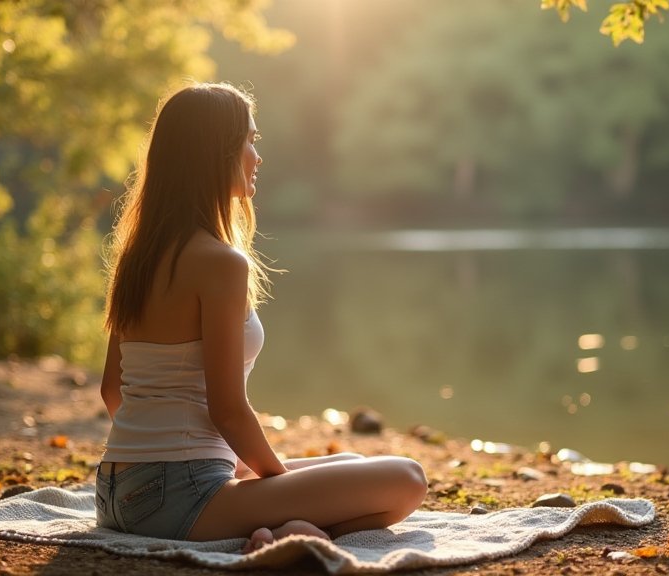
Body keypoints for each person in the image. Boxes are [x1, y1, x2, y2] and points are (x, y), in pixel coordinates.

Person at [96, 82, 427, 552]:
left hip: (114, 490)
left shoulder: (139, 259)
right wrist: (267, 481)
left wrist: (168, 457)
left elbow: (113, 390)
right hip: (181, 497)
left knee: (352, 458)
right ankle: (288, 530)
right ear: (215, 154)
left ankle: (282, 525)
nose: (257, 155)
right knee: (406, 478)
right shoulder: (219, 263)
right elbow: (227, 410)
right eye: (249, 141)